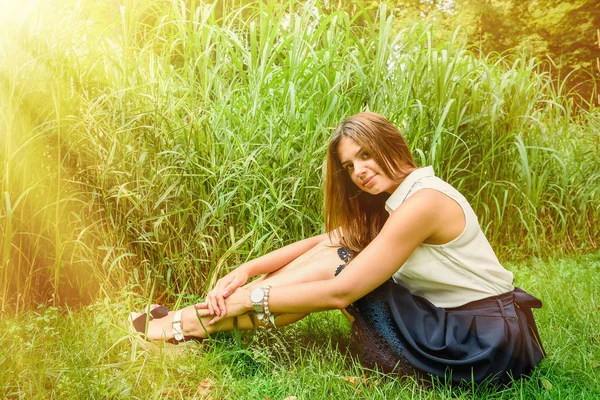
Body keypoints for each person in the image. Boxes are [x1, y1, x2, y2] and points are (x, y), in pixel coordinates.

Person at [130, 112, 545, 384]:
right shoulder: (400, 198)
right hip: (463, 326)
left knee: (335, 268)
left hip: (482, 345)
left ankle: (185, 326)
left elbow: (341, 292)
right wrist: (246, 271)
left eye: (366, 155)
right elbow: (325, 240)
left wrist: (248, 298)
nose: (359, 171)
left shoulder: (424, 202)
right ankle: (195, 326)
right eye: (349, 166)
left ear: (391, 146)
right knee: (330, 255)